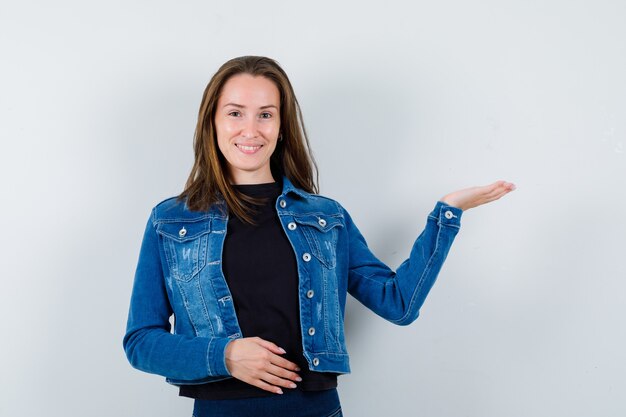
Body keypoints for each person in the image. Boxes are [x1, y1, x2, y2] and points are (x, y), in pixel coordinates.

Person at [123, 55, 515, 417]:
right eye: (235, 113)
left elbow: (399, 303)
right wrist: (223, 355)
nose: (250, 129)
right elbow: (140, 341)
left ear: (281, 126)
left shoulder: (326, 218)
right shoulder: (171, 221)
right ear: (212, 121)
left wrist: (447, 215)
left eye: (265, 114)